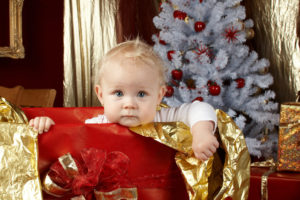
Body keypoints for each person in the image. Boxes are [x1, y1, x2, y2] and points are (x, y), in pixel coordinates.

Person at [29, 38, 219, 161]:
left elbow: (200, 108)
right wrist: (47, 128)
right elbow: (66, 149)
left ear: (159, 95)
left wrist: (202, 132)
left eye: (141, 94)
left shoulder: (163, 118)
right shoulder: (95, 126)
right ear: (101, 95)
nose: (129, 104)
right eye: (118, 93)